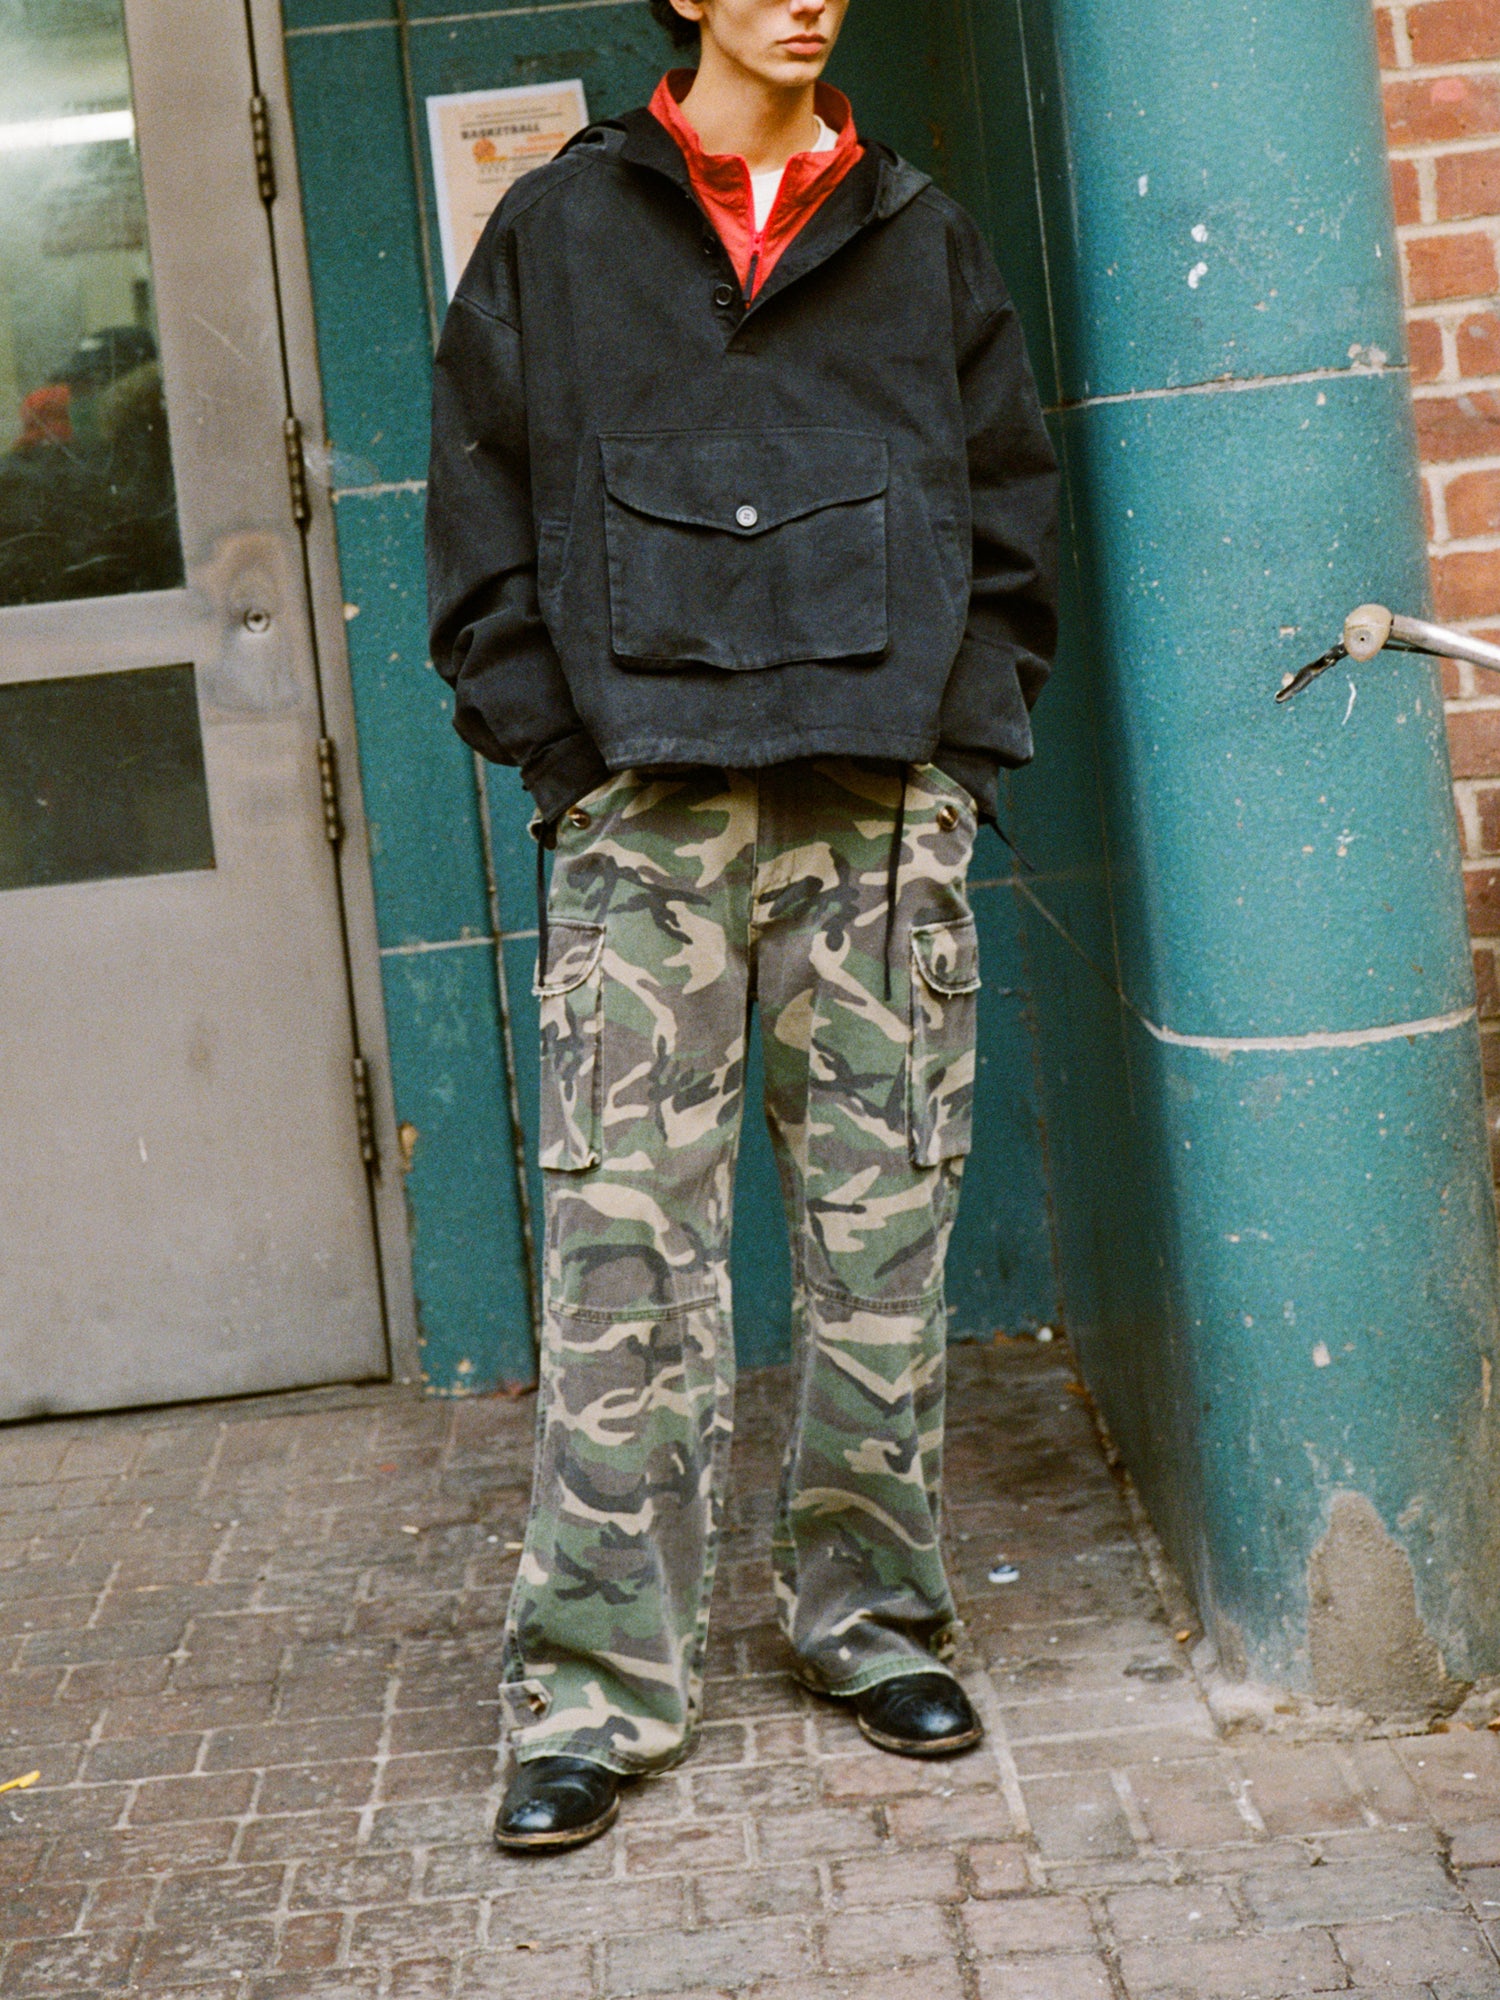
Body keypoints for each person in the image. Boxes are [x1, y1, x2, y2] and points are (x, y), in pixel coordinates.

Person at [426, 0, 1059, 1854]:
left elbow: (1012, 523)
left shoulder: (917, 231)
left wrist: (952, 774)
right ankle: (598, 1690)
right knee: (624, 1258)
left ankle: (872, 1621)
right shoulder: (560, 233)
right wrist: (576, 772)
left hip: (875, 820)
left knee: (883, 1245)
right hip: (649, 826)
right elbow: (473, 534)